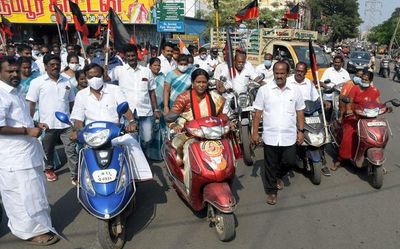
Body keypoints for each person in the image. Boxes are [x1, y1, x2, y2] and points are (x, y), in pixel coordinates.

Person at [0, 56, 59, 246]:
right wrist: (27, 130)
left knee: (34, 192)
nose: (15, 74)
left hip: (28, 153)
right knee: (20, 195)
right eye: (10, 71)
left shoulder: (15, 92)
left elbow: (19, 118)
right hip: (14, 158)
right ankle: (29, 232)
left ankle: (41, 225)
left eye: (16, 70)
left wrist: (34, 123)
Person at [69, 63, 152, 181]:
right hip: (92, 136)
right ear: (86, 78)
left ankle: (136, 177)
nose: (94, 79)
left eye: (97, 76)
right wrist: (76, 131)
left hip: (115, 133)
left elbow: (125, 108)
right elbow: (78, 118)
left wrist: (132, 122)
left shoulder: (115, 89)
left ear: (103, 75)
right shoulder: (81, 95)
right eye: (90, 77)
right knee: (82, 153)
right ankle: (82, 179)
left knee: (131, 142)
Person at [252, 61, 305, 205]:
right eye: (277, 73)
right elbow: (257, 113)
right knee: (270, 165)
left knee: (290, 161)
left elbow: (300, 111)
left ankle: (279, 175)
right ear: (273, 73)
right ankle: (272, 192)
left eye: (282, 73)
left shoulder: (295, 90)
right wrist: (254, 132)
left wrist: (301, 131)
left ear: (287, 74)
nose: (279, 76)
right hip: (270, 135)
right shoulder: (265, 90)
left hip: (289, 135)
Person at [165, 69, 226, 192]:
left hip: (212, 135)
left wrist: (227, 122)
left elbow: (221, 115)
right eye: (198, 82)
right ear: (193, 83)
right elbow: (170, 118)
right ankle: (190, 188)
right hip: (188, 135)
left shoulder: (215, 97)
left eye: (204, 82)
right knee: (189, 153)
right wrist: (174, 125)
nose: (201, 85)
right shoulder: (184, 97)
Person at [26, 54, 79, 184]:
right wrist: (30, 122)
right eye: (52, 65)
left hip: (66, 124)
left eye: (58, 64)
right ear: (45, 66)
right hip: (47, 125)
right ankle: (49, 169)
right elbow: (31, 103)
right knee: (47, 150)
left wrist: (75, 122)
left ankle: (75, 174)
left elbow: (72, 102)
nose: (55, 67)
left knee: (71, 150)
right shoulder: (37, 82)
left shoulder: (67, 81)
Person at [110, 45, 160, 151]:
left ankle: (143, 155)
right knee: (131, 140)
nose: (131, 58)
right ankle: (135, 161)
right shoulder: (119, 70)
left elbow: (152, 91)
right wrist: (105, 61)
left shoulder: (146, 71)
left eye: (133, 55)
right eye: (128, 56)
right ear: (125, 57)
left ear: (136, 55)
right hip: (128, 111)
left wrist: (155, 109)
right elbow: (105, 78)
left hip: (145, 111)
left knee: (147, 138)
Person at [332, 71, 381, 171]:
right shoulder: (355, 88)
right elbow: (349, 101)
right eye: (362, 78)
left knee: (377, 134)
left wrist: (384, 108)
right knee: (349, 136)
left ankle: (374, 157)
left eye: (366, 79)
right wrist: (349, 110)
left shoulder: (374, 90)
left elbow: (378, 102)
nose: (363, 80)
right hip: (354, 117)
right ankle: (340, 159)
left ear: (370, 81)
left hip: (368, 118)